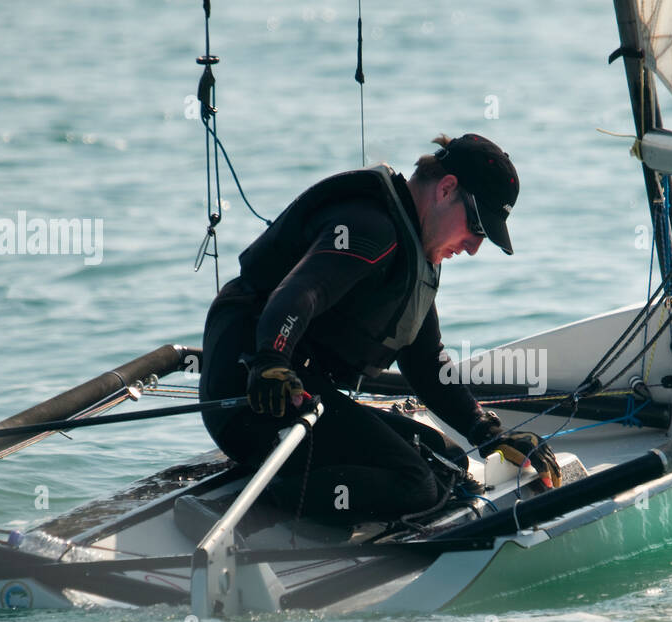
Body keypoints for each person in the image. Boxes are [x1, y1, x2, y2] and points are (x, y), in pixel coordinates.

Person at [200, 133, 561, 522]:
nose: (474, 247)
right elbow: (301, 293)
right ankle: (261, 506)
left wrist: (485, 431)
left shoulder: (415, 247)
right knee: (415, 486)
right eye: (476, 226)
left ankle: (305, 483)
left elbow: (424, 360)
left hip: (299, 391)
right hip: (252, 390)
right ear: (446, 188)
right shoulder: (370, 229)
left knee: (449, 460)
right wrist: (271, 359)